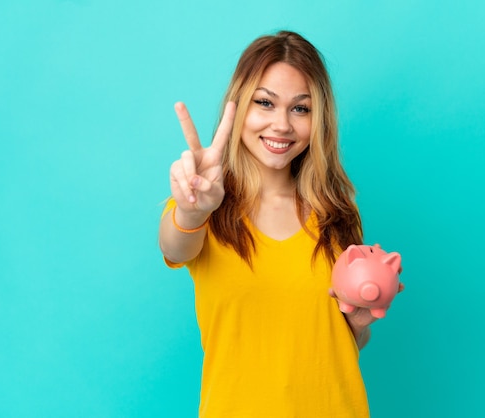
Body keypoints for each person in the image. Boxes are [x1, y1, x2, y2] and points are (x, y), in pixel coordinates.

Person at [158, 30, 404, 417]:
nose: (282, 125)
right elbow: (174, 246)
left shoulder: (338, 212)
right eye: (265, 103)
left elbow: (335, 343)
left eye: (300, 108)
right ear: (237, 107)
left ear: (318, 118)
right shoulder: (203, 208)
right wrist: (192, 211)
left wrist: (359, 321)